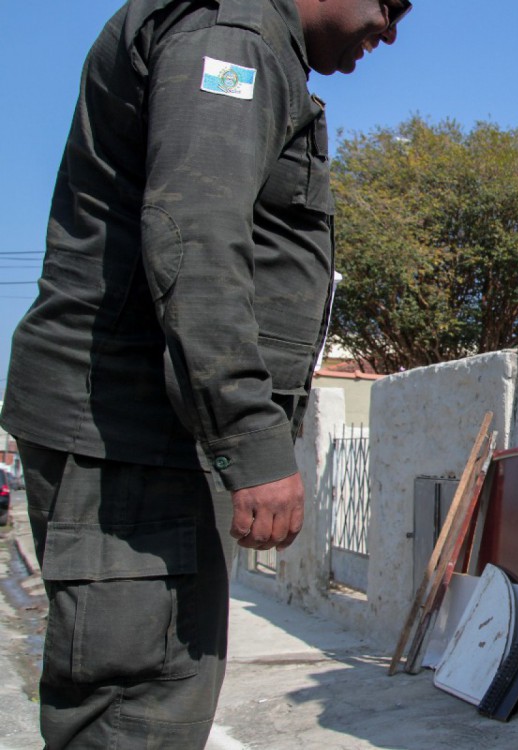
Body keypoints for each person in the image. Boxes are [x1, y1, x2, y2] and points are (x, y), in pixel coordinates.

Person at [0, 0, 412, 746]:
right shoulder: (235, 38)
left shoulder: (251, 40)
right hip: (130, 437)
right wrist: (252, 438)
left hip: (147, 437)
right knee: (138, 711)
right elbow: (194, 232)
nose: (390, 32)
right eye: (391, 5)